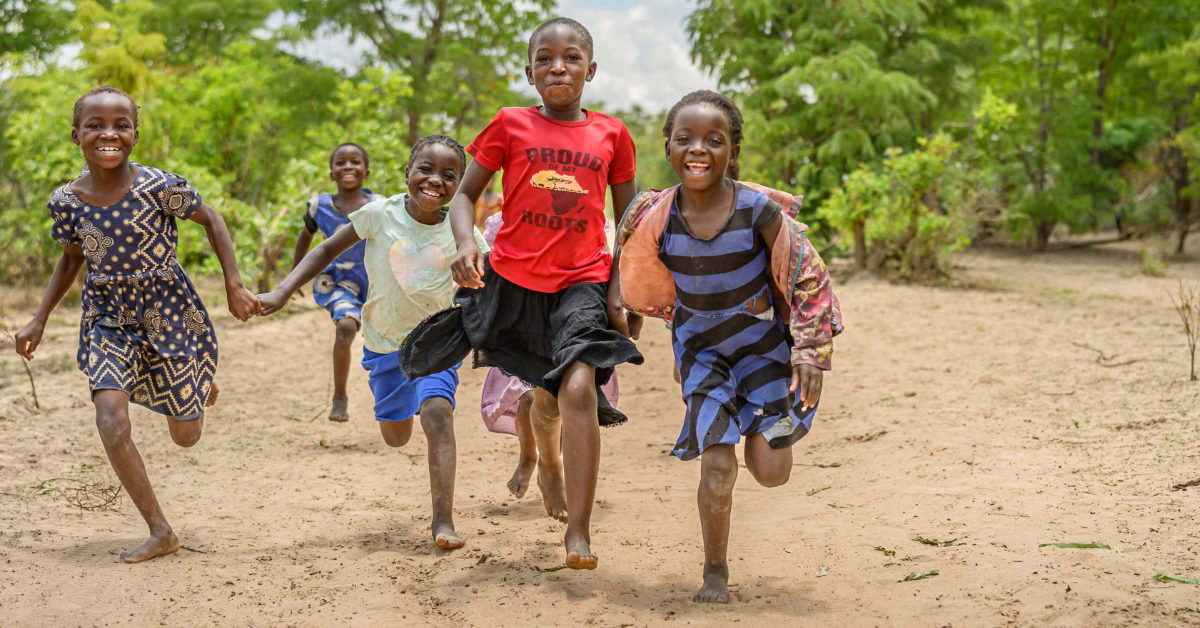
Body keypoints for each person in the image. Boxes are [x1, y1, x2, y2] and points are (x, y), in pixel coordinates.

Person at [397, 17, 644, 570]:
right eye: (546, 58)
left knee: (578, 389)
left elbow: (627, 221)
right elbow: (465, 197)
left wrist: (620, 290)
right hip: (511, 285)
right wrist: (465, 244)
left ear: (591, 69)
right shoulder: (509, 125)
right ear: (529, 71)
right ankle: (548, 463)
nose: (559, 66)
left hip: (581, 282)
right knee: (544, 395)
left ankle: (578, 531)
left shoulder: (613, 134)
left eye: (572, 57)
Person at [13, 86, 260, 563]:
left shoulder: (159, 187)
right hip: (108, 316)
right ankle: (160, 530)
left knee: (185, 436)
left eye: (121, 125)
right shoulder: (66, 201)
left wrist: (233, 284)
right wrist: (39, 319)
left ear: (135, 135)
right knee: (110, 418)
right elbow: (70, 261)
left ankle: (196, 381)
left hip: (168, 312)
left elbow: (214, 221)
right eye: (96, 125)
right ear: (76, 136)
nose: (109, 133)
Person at [613, 90, 843, 603]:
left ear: (732, 151)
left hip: (763, 348)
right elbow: (626, 269)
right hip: (701, 351)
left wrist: (809, 351)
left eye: (713, 140)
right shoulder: (656, 215)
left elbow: (808, 272)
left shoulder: (755, 209)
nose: (698, 148)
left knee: (771, 471)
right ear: (668, 149)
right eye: (685, 139)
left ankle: (769, 423)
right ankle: (714, 570)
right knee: (717, 466)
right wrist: (627, 321)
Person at [257, 135, 489, 550]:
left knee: (438, 415)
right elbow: (327, 247)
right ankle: (393, 408)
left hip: (437, 345)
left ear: (461, 183)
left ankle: (443, 522)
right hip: (384, 345)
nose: (435, 180)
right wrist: (281, 289)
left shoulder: (462, 230)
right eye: (426, 170)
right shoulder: (379, 214)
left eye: (449, 175)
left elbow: (487, 278)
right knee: (396, 436)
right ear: (407, 173)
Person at [478, 213, 620, 511]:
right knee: (529, 399)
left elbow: (607, 265)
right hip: (525, 321)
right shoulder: (504, 222)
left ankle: (549, 463)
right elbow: (492, 269)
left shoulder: (590, 220)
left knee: (565, 402)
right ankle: (532, 458)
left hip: (572, 315)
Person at [291, 142, 382, 422]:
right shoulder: (319, 207)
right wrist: (295, 278)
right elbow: (306, 236)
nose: (348, 167)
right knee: (345, 327)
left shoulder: (379, 206)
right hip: (338, 281)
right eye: (340, 162)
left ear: (366, 171)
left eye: (355, 162)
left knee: (386, 340)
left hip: (377, 281)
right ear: (332, 173)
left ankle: (393, 394)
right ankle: (340, 395)